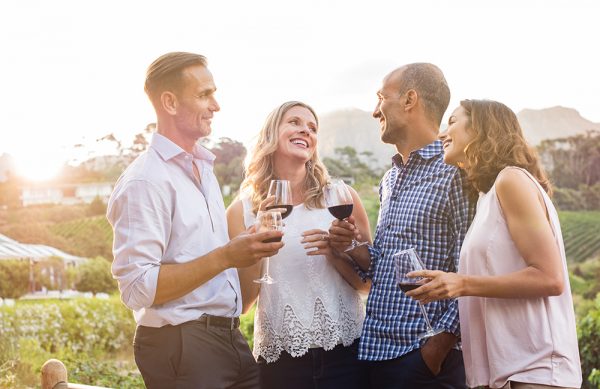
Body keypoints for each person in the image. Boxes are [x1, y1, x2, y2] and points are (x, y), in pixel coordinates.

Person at [106, 52, 284, 389]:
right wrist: (227, 256)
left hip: (227, 338)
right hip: (183, 344)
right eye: (204, 94)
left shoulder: (203, 170)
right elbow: (136, 288)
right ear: (170, 102)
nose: (215, 105)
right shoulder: (145, 181)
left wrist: (247, 241)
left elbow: (203, 254)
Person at [406, 99, 582, 389]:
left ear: (481, 128)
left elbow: (550, 278)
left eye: (452, 122)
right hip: (505, 374)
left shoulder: (510, 180)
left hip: (534, 370)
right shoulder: (486, 197)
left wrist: (461, 284)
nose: (440, 134)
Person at [328, 63, 473, 388]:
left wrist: (435, 350)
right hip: (375, 352)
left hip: (422, 358)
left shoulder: (456, 172)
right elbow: (386, 265)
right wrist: (350, 248)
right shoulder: (390, 177)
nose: (375, 110)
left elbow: (475, 270)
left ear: (410, 100)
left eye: (381, 97)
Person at [226, 101, 372, 389]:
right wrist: (258, 244)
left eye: (312, 127)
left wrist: (337, 253)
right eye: (294, 122)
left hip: (348, 354)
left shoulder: (342, 198)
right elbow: (243, 303)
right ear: (272, 134)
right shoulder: (241, 212)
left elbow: (368, 285)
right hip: (281, 362)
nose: (305, 129)